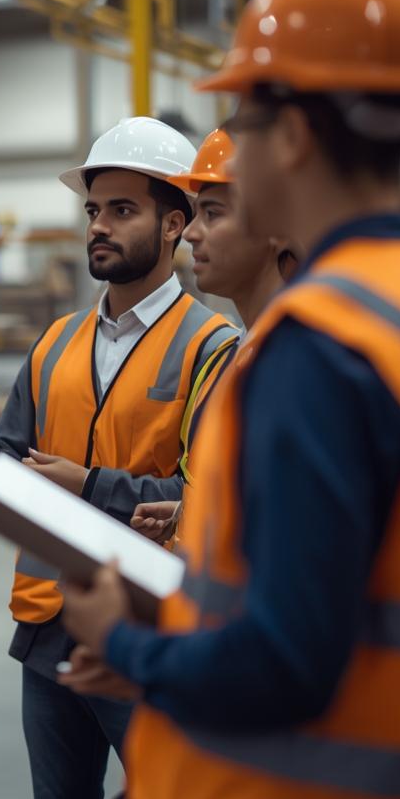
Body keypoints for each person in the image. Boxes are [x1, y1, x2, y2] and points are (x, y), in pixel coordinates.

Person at [60, 0, 400, 799]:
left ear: (298, 138)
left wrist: (123, 642)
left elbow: (286, 664)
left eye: (248, 121)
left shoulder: (318, 347)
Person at [0, 116, 236, 799]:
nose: (98, 225)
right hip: (46, 626)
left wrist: (83, 484)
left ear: (175, 224)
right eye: (94, 209)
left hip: (150, 632)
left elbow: (201, 496)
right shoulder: (56, 343)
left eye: (122, 210)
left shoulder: (214, 347)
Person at [125, 128, 301, 544]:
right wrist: (190, 513)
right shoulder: (233, 354)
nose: (190, 232)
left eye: (213, 213)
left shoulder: (294, 366)